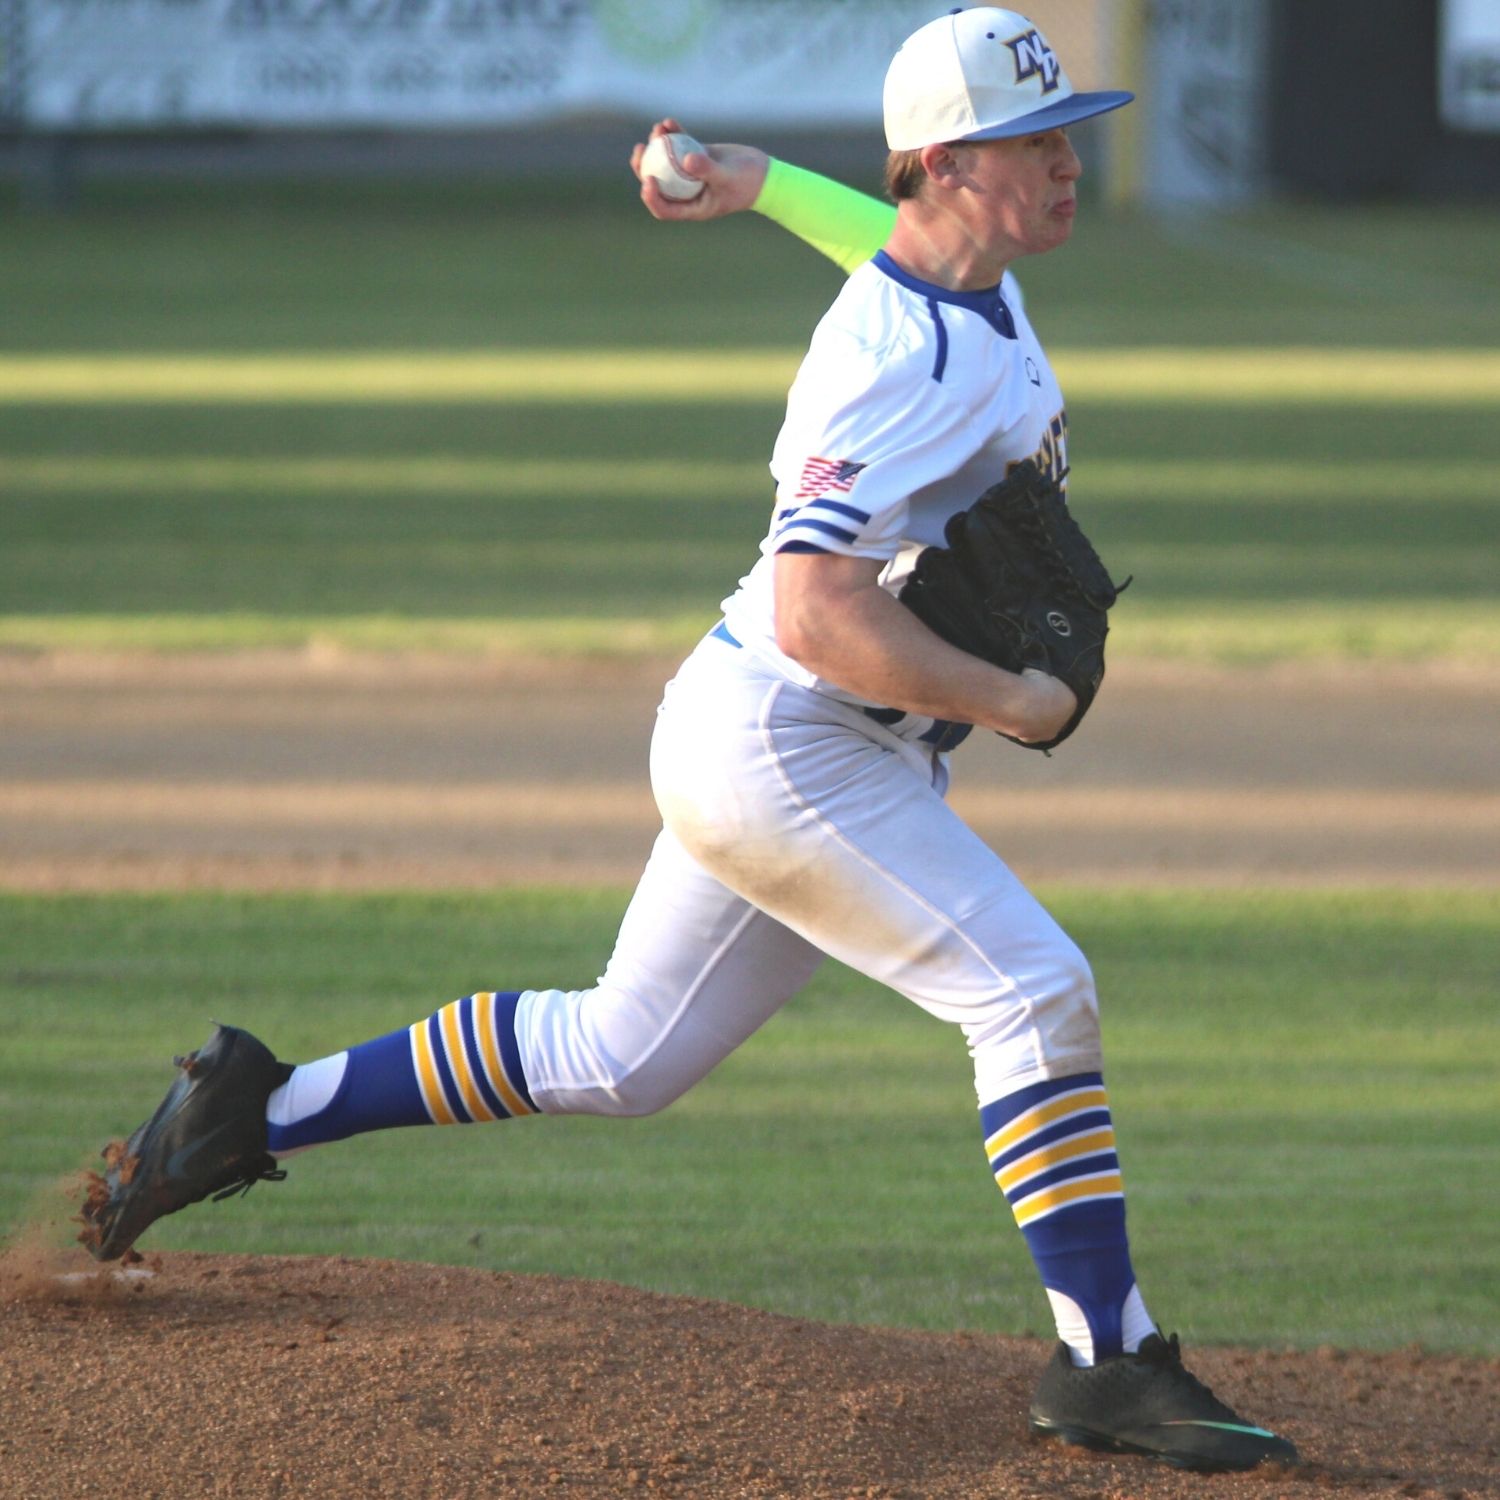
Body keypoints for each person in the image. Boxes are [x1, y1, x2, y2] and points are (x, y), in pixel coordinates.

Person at [81, 9, 1297, 1475]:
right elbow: (812, 611)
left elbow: (884, 237)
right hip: (790, 739)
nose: (1067, 163)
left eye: (1068, 134)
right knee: (1035, 994)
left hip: (784, 736)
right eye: (1037, 142)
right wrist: (1017, 701)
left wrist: (759, 176)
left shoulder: (963, 281)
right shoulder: (889, 361)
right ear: (952, 161)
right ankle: (1107, 1359)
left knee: (623, 1050)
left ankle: (245, 1109)